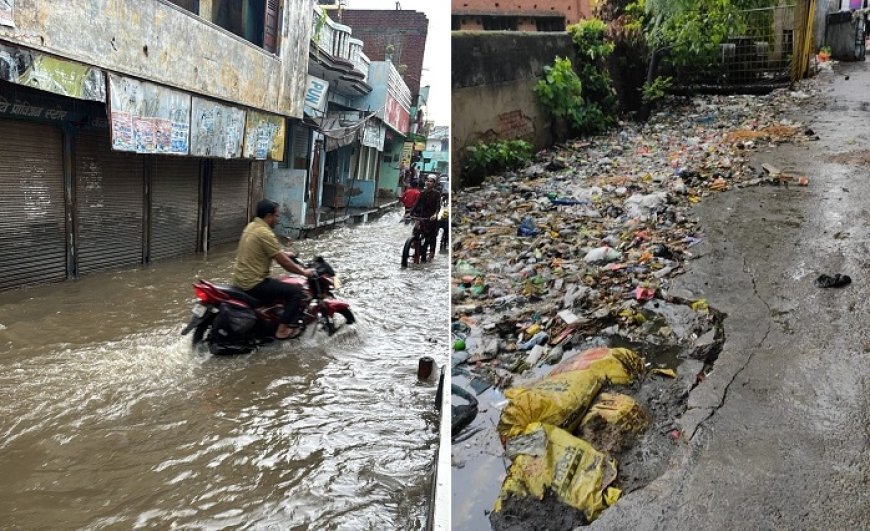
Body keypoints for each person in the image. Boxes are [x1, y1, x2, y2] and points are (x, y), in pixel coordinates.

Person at [231, 200, 315, 340]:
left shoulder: (251, 226)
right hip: (253, 283)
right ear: (269, 216)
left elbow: (268, 251)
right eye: (276, 216)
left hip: (240, 280)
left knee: (279, 284)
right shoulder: (265, 233)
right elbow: (284, 264)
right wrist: (303, 272)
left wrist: (283, 253)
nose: (278, 219)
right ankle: (282, 331)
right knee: (297, 292)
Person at [410, 175, 442, 260]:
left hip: (431, 217)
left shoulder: (437, 193)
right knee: (416, 229)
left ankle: (432, 251)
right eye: (427, 181)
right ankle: (415, 246)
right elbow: (416, 204)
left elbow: (438, 206)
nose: (428, 182)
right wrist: (410, 213)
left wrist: (435, 214)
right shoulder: (422, 193)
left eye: (431, 181)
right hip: (422, 216)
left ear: (434, 183)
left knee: (432, 235)